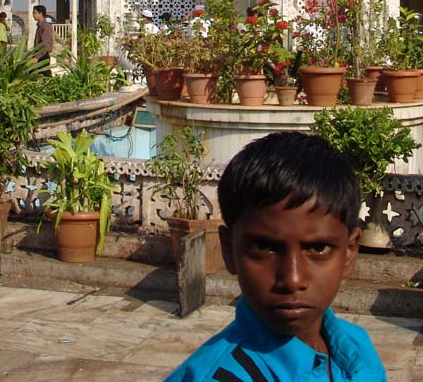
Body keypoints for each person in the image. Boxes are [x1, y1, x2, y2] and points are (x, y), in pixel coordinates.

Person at [164, 132, 387, 381]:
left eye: (318, 249)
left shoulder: (357, 350)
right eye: (263, 247)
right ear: (229, 250)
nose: (292, 280)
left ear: (349, 253)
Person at [33, 4, 54, 75]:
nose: (33, 15)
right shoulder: (40, 25)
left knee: (45, 74)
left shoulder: (45, 25)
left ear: (40, 13)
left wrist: (37, 57)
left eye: (35, 13)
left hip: (43, 54)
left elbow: (45, 43)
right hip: (39, 53)